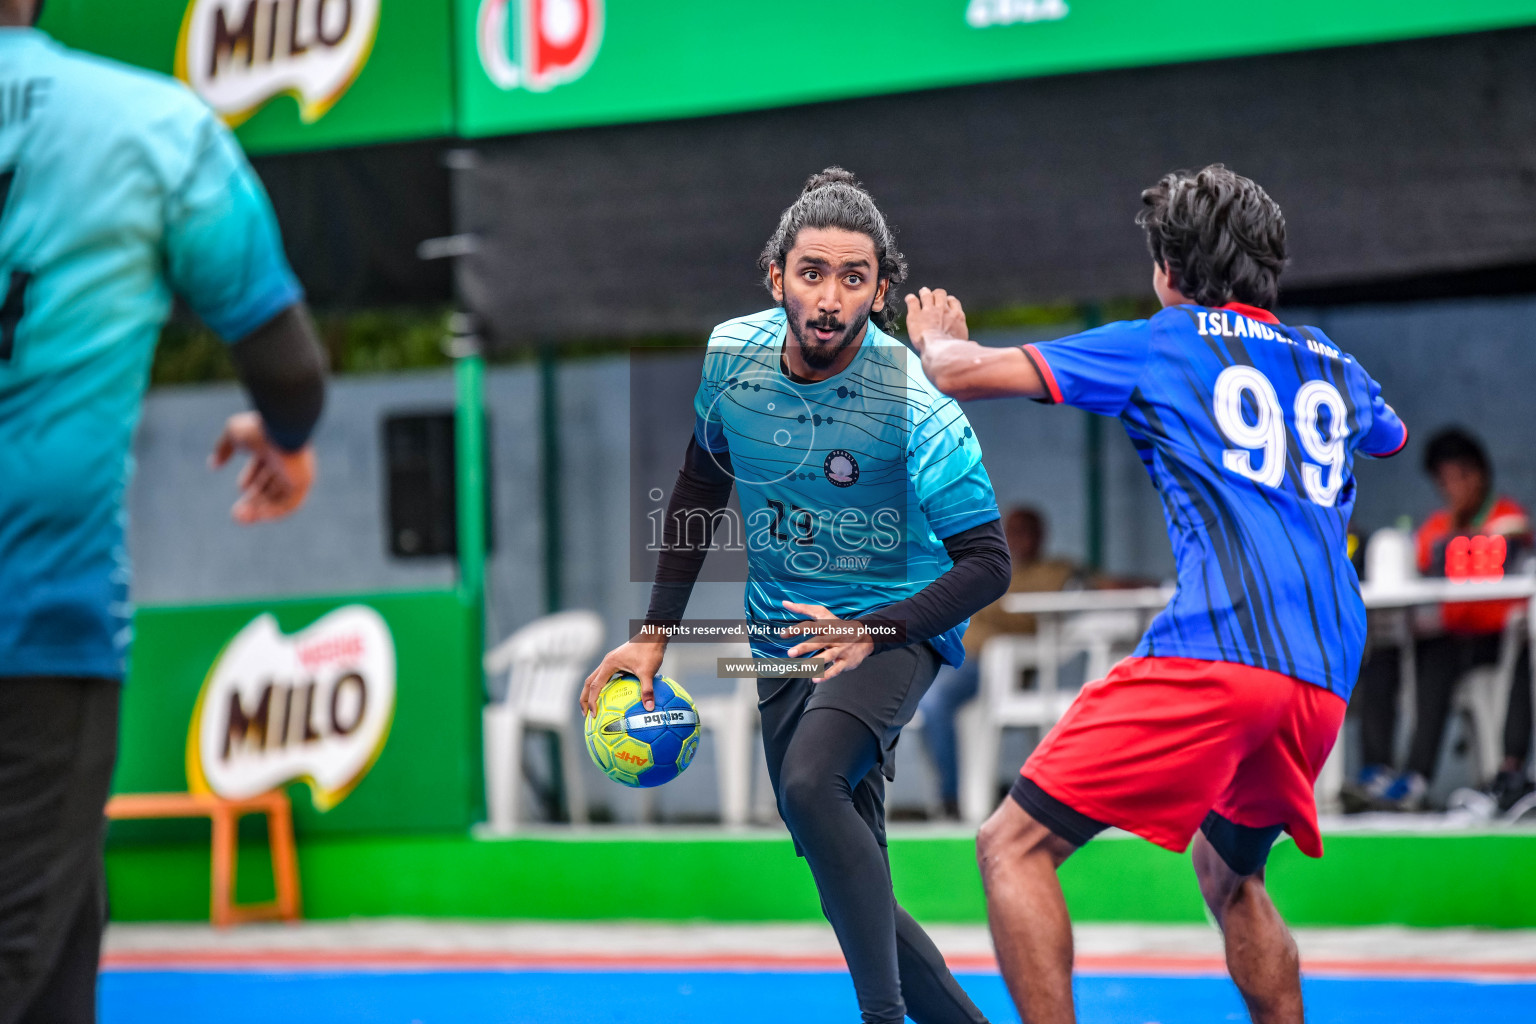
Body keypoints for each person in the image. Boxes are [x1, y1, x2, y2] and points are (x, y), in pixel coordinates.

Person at [907, 164, 1407, 1024]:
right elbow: (1389, 435)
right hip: (1325, 672)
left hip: (1220, 650)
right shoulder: (1336, 363)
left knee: (1011, 846)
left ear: (1168, 272)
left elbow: (962, 374)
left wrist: (936, 336)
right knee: (1231, 874)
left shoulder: (1162, 340)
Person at [581, 167, 1008, 1024]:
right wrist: (653, 635)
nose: (829, 297)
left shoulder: (913, 399)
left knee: (813, 790)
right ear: (775, 275)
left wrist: (875, 628)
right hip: (782, 639)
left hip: (895, 627)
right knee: (853, 888)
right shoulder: (731, 356)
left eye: (855, 278)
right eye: (812, 272)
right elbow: (701, 487)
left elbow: (987, 563)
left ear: (880, 291)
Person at [0, 6, 327, 1021]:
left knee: (59, 936)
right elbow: (288, 368)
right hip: (36, 627)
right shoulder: (152, 129)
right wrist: (287, 435)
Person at [1346, 428, 1533, 812]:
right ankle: (1384, 773)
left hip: (1497, 640)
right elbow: (1414, 572)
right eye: (1444, 480)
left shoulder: (1506, 517)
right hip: (1448, 638)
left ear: (1479, 474)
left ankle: (1423, 777)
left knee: (1438, 657)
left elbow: (1509, 537)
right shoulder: (1436, 526)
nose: (1452, 488)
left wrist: (1470, 537)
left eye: (1459, 476)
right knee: (1389, 654)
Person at [919, 506, 1079, 819]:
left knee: (933, 702)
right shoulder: (989, 565)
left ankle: (950, 799)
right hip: (949, 657)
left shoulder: (1054, 571)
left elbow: (1101, 583)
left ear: (1040, 536)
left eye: (1025, 531)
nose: (1016, 539)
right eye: (1011, 531)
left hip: (991, 664)